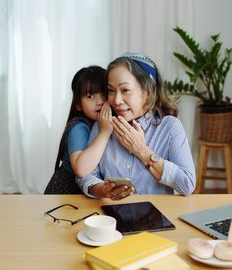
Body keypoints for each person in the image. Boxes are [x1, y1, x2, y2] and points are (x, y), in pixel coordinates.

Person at [77, 52, 196, 199]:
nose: (117, 100)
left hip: (155, 218)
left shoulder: (170, 127)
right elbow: (85, 175)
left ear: (148, 92)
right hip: (110, 217)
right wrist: (103, 190)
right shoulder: (103, 125)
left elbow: (187, 185)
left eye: (125, 90)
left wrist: (142, 151)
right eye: (111, 91)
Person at [44, 65, 112, 194]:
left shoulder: (100, 123)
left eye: (104, 93)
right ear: (78, 105)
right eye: (90, 96)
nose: (99, 101)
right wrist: (104, 132)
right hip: (67, 194)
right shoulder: (79, 127)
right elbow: (81, 170)